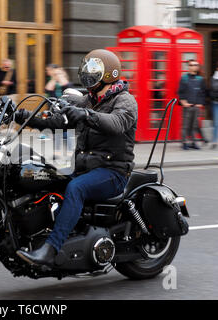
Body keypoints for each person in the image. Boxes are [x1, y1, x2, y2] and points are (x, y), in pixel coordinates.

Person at [14, 49, 138, 266]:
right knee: (46, 176)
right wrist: (26, 117)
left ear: (108, 74)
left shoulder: (125, 100)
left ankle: (51, 249)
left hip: (113, 171)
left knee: (76, 188)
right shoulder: (89, 100)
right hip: (86, 167)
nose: (88, 75)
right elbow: (58, 120)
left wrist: (87, 115)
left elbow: (117, 123)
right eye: (87, 70)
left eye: (94, 71)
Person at [178, 59, 206, 150]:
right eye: (192, 65)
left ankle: (194, 142)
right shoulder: (184, 78)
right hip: (188, 106)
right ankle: (184, 142)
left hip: (196, 106)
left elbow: (202, 92)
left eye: (196, 65)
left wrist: (201, 103)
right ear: (189, 67)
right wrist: (183, 102)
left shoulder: (200, 79)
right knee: (185, 125)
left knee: (194, 125)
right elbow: (180, 92)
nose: (194, 66)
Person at [210, 61, 218, 149]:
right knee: (216, 122)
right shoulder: (214, 77)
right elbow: (215, 88)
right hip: (217, 102)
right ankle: (214, 141)